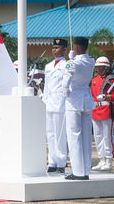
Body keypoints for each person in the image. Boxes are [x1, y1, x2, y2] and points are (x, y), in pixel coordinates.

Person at [62, 37, 95, 180]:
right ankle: (86, 171)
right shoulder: (91, 61)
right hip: (87, 100)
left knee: (74, 136)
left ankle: (78, 171)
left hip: (74, 101)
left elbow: (65, 84)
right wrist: (72, 61)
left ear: (76, 47)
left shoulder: (72, 63)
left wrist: (70, 61)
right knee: (86, 137)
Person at [42, 38, 68, 173]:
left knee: (60, 134)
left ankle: (61, 162)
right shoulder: (48, 66)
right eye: (53, 48)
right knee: (50, 134)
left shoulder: (66, 65)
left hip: (60, 103)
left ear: (64, 50)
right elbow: (46, 86)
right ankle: (52, 161)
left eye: (57, 48)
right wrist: (44, 100)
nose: (54, 50)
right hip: (49, 103)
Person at [90, 57, 114, 171]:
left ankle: (109, 160)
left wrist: (107, 97)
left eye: (101, 67)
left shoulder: (111, 80)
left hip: (107, 110)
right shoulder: (94, 80)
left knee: (108, 137)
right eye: (97, 67)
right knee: (98, 137)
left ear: (106, 68)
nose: (99, 69)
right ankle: (101, 159)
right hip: (95, 110)